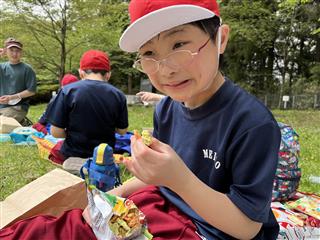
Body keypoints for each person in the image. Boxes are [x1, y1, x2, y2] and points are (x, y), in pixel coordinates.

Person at [106, 0, 281, 239]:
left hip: (215, 232)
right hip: (166, 209)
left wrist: (180, 180)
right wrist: (112, 195)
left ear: (221, 38)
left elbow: (248, 227)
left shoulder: (252, 123)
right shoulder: (166, 109)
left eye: (178, 44)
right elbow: (162, 179)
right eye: (149, 53)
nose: (166, 70)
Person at [45, 50, 128, 163]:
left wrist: (72, 135)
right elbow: (122, 131)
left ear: (81, 73)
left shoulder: (68, 91)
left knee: (56, 149)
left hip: (72, 154)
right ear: (108, 74)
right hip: (104, 156)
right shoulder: (119, 95)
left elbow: (55, 132)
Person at [0, 38, 37, 124]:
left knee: (2, 126)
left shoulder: (27, 69)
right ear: (5, 51)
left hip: (17, 107)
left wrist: (11, 97)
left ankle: (21, 122)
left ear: (21, 52)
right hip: (1, 106)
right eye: (11, 50)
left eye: (17, 51)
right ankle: (21, 123)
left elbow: (31, 91)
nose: (14, 53)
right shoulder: (1, 67)